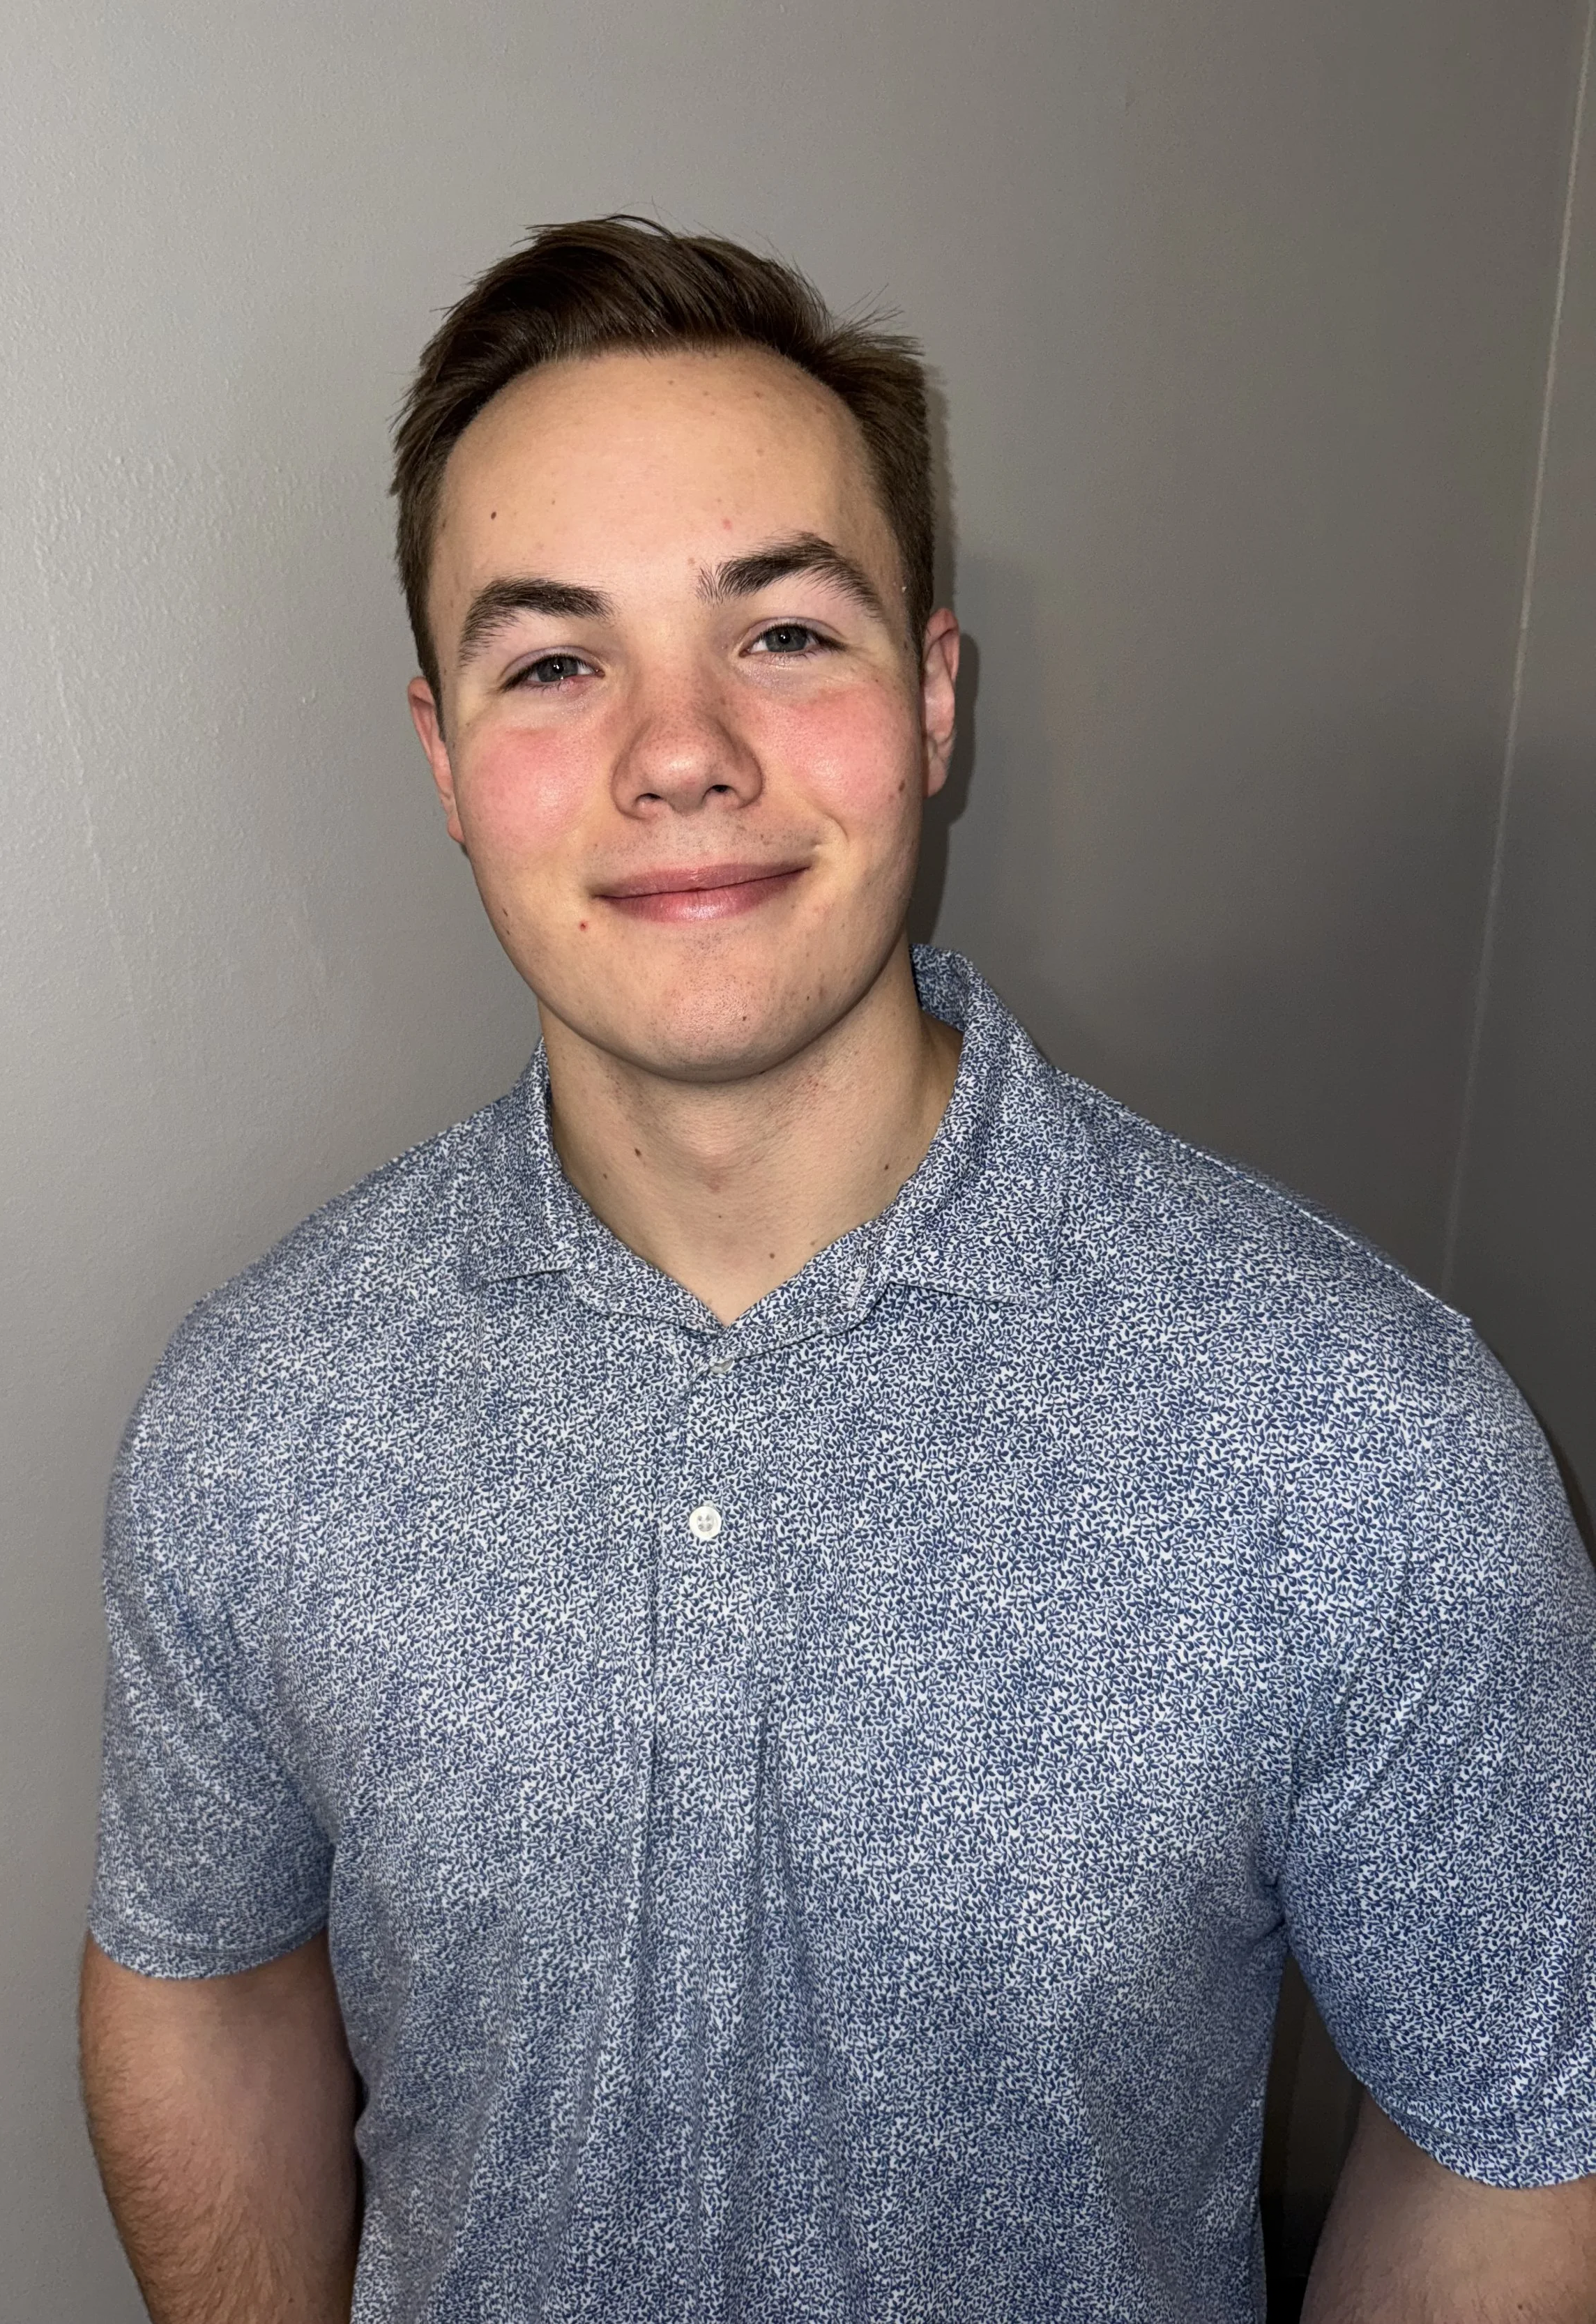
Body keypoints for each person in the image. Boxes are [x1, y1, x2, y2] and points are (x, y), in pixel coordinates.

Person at [78, 217, 1596, 2324]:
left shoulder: (1361, 1439)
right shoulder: (257, 1414)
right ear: (442, 761)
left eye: (781, 631)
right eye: (550, 659)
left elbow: (1512, 2130)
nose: (677, 748)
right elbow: (205, 1981)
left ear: (933, 698)